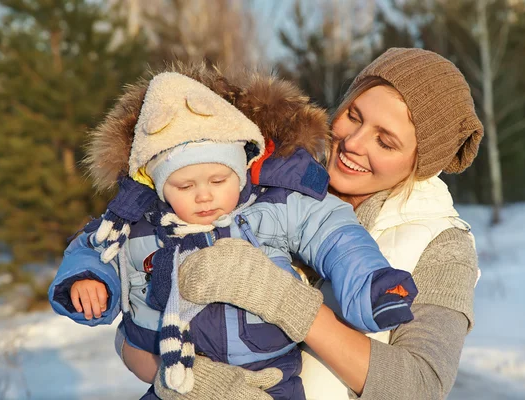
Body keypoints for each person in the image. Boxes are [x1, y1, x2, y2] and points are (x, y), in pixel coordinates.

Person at [48, 66, 419, 400]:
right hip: (174, 382)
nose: (204, 195)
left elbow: (332, 232)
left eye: (217, 179)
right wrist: (88, 279)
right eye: (184, 185)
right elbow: (96, 246)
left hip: (269, 376)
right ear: (158, 186)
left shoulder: (266, 209)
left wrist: (370, 283)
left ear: (241, 169)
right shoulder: (139, 222)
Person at [172, 47, 483, 400]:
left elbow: (419, 385)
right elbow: (139, 316)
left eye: (384, 141)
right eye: (353, 116)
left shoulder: (442, 244)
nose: (353, 143)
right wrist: (189, 378)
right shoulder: (263, 175)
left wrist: (283, 299)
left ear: (420, 163)